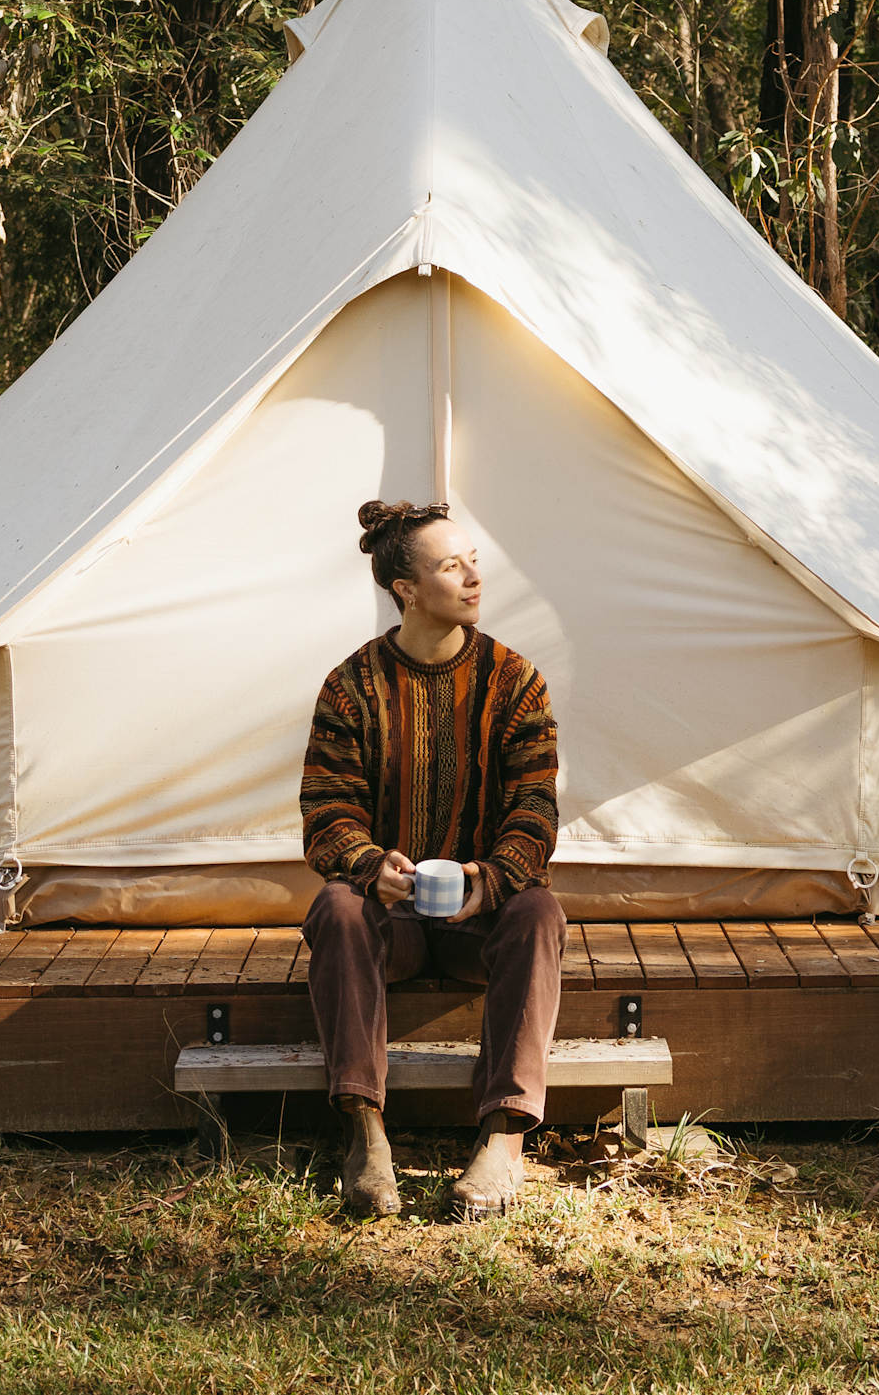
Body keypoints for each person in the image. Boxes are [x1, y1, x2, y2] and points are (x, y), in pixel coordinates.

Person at [298, 498, 564, 1221]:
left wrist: (491, 879)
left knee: (539, 907)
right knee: (334, 905)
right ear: (406, 589)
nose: (474, 577)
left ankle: (504, 1134)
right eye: (453, 566)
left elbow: (536, 810)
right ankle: (365, 1132)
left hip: (481, 923)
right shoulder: (350, 686)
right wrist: (366, 863)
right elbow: (325, 808)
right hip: (394, 924)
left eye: (474, 560)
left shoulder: (515, 683)